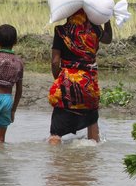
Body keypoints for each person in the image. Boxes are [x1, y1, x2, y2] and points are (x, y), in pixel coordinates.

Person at [48, 9, 112, 144]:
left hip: (67, 84)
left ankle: (54, 159)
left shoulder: (61, 31)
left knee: (56, 134)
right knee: (93, 126)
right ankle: (91, 160)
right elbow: (108, 39)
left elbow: (55, 62)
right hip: (89, 84)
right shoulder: (94, 29)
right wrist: (106, 18)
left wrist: (58, 80)